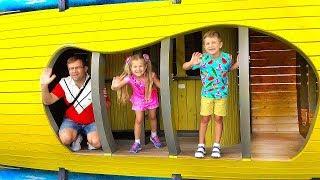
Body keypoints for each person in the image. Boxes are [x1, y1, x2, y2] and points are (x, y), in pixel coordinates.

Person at [182, 31, 239, 158]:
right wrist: (191, 62)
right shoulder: (202, 59)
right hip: (207, 94)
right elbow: (185, 67)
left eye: (213, 42)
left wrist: (238, 64)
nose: (211, 45)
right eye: (207, 43)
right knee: (205, 119)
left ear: (220, 44)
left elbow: (228, 68)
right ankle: (201, 146)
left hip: (221, 94)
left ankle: (216, 146)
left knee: (218, 118)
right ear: (204, 46)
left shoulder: (227, 57)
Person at [40, 55, 111, 151]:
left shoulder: (95, 83)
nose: (74, 71)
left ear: (85, 68)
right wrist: (44, 85)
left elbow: (107, 106)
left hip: (92, 121)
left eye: (77, 67)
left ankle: (87, 140)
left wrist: (102, 100)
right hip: (71, 120)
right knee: (65, 139)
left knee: (97, 142)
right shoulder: (64, 82)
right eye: (71, 68)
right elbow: (48, 101)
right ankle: (77, 137)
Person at [111, 53, 162, 153]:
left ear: (146, 66)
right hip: (138, 99)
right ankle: (137, 142)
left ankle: (154, 136)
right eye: (135, 66)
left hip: (151, 97)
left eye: (140, 66)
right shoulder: (129, 78)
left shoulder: (151, 75)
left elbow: (160, 85)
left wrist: (166, 81)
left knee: (152, 117)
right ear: (130, 68)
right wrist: (114, 84)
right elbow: (116, 87)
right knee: (139, 120)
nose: (138, 69)